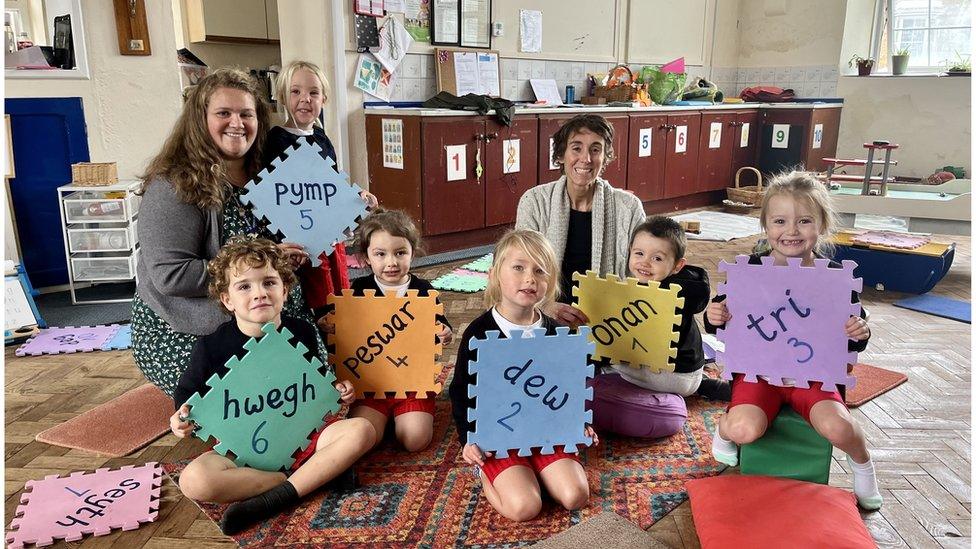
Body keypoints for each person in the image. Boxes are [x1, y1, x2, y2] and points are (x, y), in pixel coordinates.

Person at [132, 67, 324, 397]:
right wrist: (265, 264)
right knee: (250, 397)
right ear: (200, 120)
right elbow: (172, 276)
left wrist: (354, 204)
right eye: (224, 113)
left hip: (271, 311)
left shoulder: (272, 174)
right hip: (196, 328)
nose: (237, 123)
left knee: (317, 390)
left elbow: (313, 218)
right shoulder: (173, 186)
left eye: (246, 114)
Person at [169, 237, 373, 535]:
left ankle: (275, 498)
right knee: (194, 481)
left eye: (269, 283)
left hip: (305, 439)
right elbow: (187, 393)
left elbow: (319, 382)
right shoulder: (212, 346)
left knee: (362, 429)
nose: (259, 293)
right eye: (244, 287)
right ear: (227, 299)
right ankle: (300, 480)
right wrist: (181, 417)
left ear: (285, 290)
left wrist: (339, 390)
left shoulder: (301, 330)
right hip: (241, 452)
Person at [704, 172, 882, 511]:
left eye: (804, 221)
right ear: (766, 226)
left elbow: (854, 337)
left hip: (814, 375)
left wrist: (859, 331)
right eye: (780, 221)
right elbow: (721, 321)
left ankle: (863, 463)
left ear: (821, 226)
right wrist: (714, 317)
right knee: (744, 429)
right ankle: (723, 430)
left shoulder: (834, 277)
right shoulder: (749, 270)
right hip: (758, 376)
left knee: (838, 427)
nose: (791, 231)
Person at [448, 230, 598, 522]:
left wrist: (579, 422)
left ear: (550, 282)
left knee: (575, 497)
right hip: (498, 436)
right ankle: (487, 475)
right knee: (525, 508)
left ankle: (538, 471)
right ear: (494, 275)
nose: (529, 278)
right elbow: (461, 391)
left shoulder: (557, 331)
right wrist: (469, 439)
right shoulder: (478, 333)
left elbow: (572, 386)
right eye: (518, 267)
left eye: (539, 271)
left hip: (547, 433)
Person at [325, 208, 452, 452]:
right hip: (371, 386)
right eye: (380, 254)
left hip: (413, 384)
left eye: (400, 253)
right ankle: (387, 421)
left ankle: (403, 419)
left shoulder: (424, 289)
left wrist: (444, 332)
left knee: (416, 440)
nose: (391, 262)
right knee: (364, 437)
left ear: (413, 253)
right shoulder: (358, 289)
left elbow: (440, 324)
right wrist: (329, 323)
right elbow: (339, 332)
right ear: (366, 257)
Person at [262, 60, 378, 317]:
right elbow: (272, 193)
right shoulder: (276, 140)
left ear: (323, 99)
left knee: (340, 292)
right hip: (301, 238)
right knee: (318, 298)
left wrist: (355, 197)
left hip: (330, 233)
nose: (305, 99)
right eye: (296, 92)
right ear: (282, 96)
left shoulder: (322, 138)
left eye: (313, 93)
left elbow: (332, 182)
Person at [515, 114, 645, 327]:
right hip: (546, 315)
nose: (586, 158)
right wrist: (545, 306)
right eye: (576, 148)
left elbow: (644, 275)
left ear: (605, 157)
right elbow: (518, 270)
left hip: (612, 322)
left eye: (595, 149)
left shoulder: (629, 207)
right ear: (560, 155)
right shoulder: (534, 201)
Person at [610, 216, 730, 401]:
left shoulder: (673, 294)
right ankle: (701, 386)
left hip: (675, 376)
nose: (645, 262)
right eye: (639, 253)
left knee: (605, 364)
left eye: (657, 258)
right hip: (687, 371)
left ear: (677, 266)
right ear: (629, 252)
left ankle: (675, 396)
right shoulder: (641, 285)